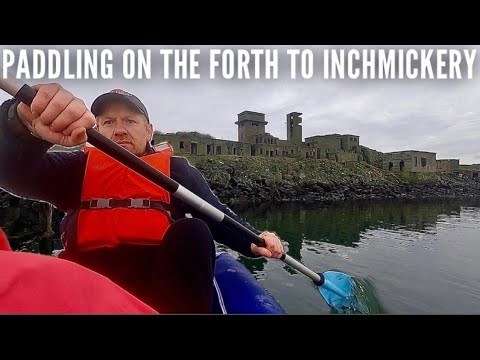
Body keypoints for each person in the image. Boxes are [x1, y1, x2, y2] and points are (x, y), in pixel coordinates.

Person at [0, 83, 285, 314]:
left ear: (149, 130)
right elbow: (12, 173)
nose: (119, 129)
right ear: (95, 131)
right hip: (90, 289)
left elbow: (216, 215)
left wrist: (255, 240)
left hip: (162, 288)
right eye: (108, 121)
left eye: (130, 121)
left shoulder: (176, 171)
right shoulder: (76, 168)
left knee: (193, 230)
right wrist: (21, 125)